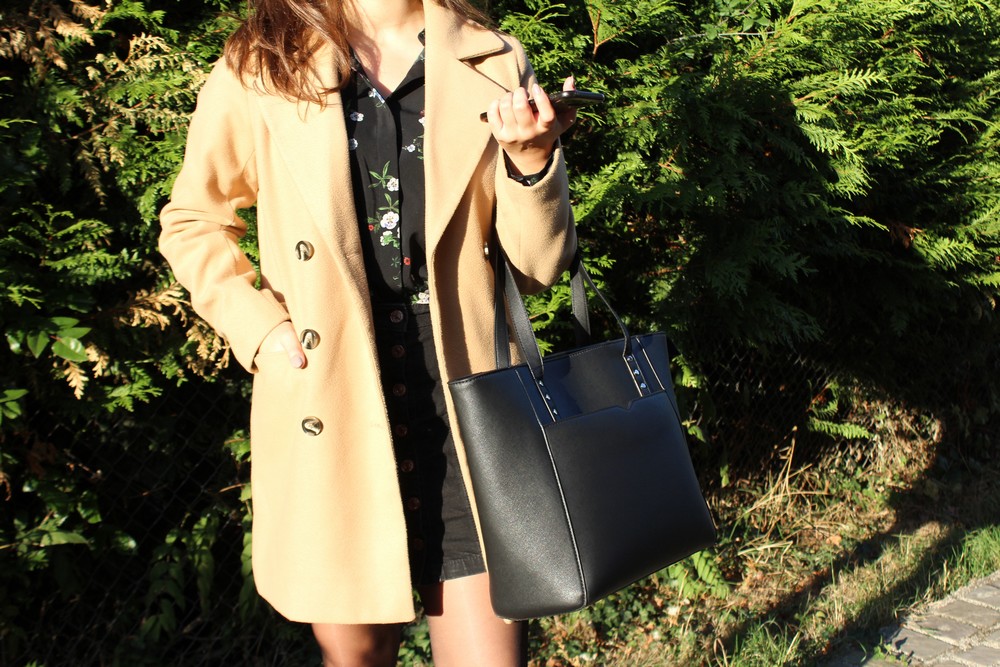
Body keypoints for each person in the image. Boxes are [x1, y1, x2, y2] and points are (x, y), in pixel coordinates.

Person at [159, 0, 577, 663]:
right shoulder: (264, 61)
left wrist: (531, 159)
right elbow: (194, 220)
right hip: (333, 397)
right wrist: (259, 326)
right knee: (356, 654)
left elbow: (535, 268)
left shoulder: (490, 58)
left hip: (465, 400)